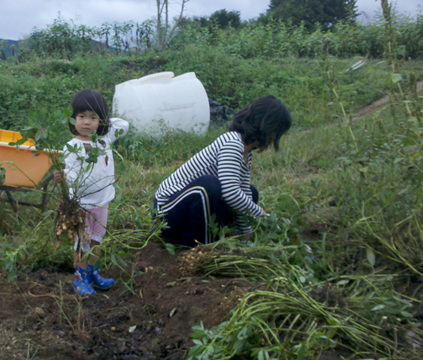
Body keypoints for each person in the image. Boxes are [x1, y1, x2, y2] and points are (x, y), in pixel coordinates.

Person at [153, 95, 291, 247]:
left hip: (190, 213)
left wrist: (246, 239)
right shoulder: (232, 143)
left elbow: (242, 192)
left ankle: (208, 237)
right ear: (267, 129)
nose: (273, 141)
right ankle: (198, 246)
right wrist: (259, 212)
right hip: (166, 214)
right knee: (209, 185)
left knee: (251, 193)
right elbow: (231, 193)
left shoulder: (246, 151)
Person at [54, 89, 129, 296]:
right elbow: (71, 173)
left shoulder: (104, 139)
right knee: (82, 242)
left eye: (93, 117)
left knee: (97, 240)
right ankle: (80, 278)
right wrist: (63, 176)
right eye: (81, 117)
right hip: (82, 204)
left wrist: (104, 123)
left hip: (102, 201)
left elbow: (124, 125)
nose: (87, 122)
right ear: (73, 119)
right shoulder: (72, 146)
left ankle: (92, 272)